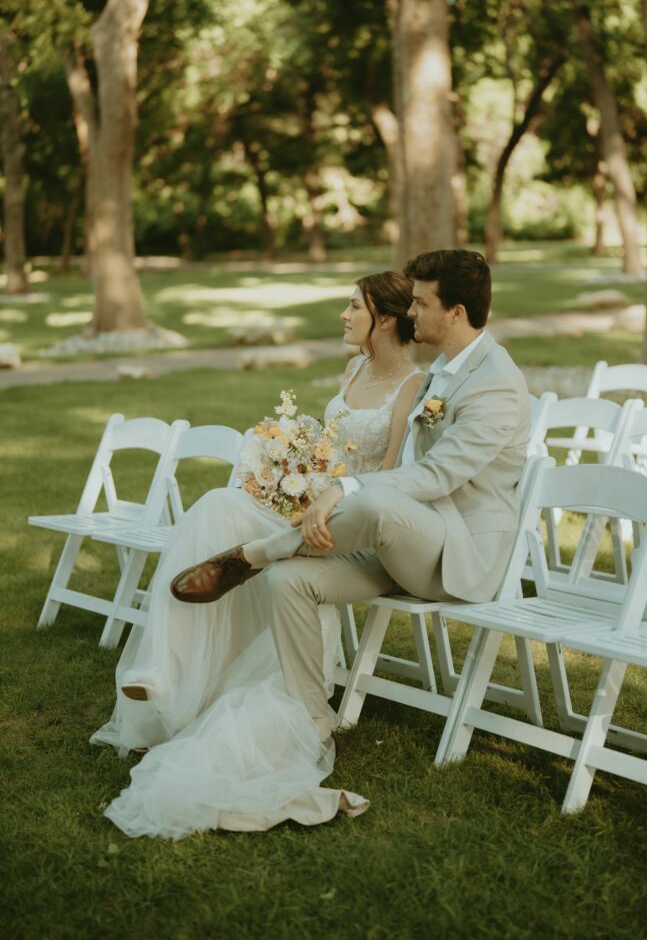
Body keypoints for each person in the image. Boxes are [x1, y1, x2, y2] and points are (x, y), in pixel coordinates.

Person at [91, 270, 424, 837]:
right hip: (309, 510)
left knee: (246, 537)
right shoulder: (355, 368)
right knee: (218, 505)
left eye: (354, 306)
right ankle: (163, 671)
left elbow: (388, 478)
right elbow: (329, 449)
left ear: (386, 319)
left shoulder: (412, 386)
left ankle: (224, 651)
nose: (343, 315)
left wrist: (328, 498)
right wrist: (288, 470)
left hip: (354, 527)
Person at [172, 249, 531, 747]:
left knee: (374, 503)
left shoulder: (496, 386)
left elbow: (437, 475)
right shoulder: (445, 369)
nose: (410, 312)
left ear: (456, 312)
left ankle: (254, 554)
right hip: (399, 540)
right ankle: (312, 720)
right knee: (288, 580)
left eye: (422, 303)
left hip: (457, 553)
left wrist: (345, 487)